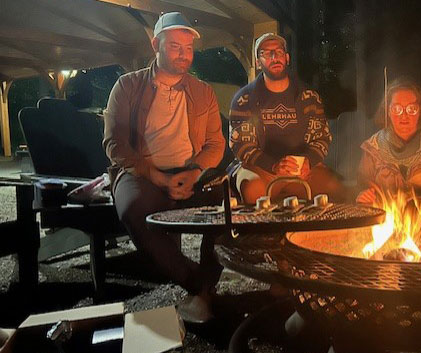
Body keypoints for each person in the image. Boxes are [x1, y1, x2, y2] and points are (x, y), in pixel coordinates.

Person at [103, 12, 226, 323]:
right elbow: (114, 143)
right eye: (174, 46)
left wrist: (194, 172)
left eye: (188, 47)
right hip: (142, 173)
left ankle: (203, 288)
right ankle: (199, 285)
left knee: (229, 207)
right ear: (155, 44)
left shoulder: (203, 92)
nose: (183, 54)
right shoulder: (127, 86)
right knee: (133, 209)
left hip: (191, 174)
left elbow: (215, 145)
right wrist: (155, 175)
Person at [228, 33, 344, 204]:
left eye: (279, 52)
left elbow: (322, 137)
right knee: (253, 190)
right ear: (258, 63)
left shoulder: (308, 97)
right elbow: (241, 144)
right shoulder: (245, 99)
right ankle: (261, 230)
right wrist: (273, 165)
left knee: (334, 188)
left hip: (301, 168)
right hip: (260, 169)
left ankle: (313, 229)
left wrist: (309, 161)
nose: (275, 57)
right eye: (266, 53)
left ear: (287, 58)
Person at [356, 77, 421, 212]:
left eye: (412, 109)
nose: (404, 115)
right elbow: (362, 186)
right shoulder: (373, 148)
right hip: (386, 224)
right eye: (397, 108)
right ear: (388, 111)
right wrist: (364, 195)